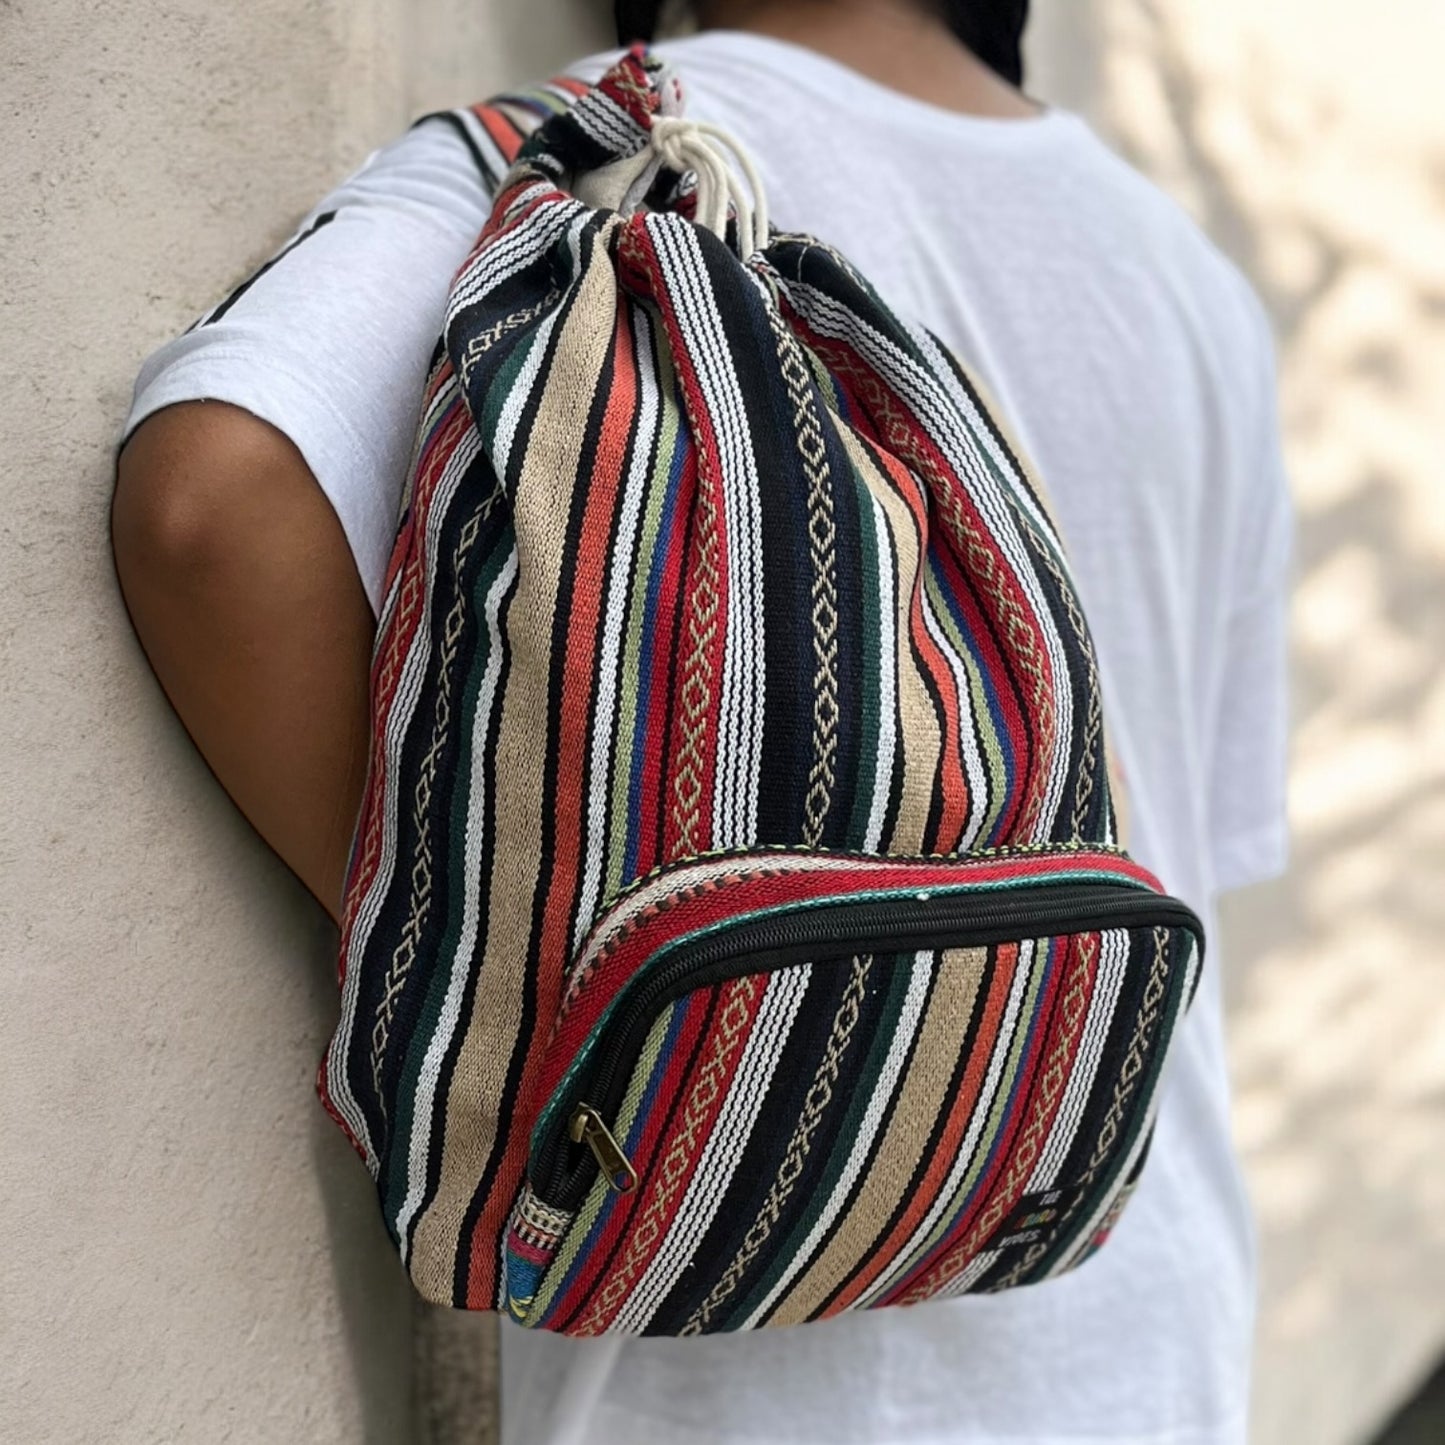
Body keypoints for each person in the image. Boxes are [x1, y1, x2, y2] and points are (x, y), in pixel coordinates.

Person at [112, 0, 1292, 1441]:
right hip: (1149, 1337)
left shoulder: (574, 159)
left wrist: (491, 966)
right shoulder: (1186, 271)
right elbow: (1194, 838)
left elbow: (213, 505)